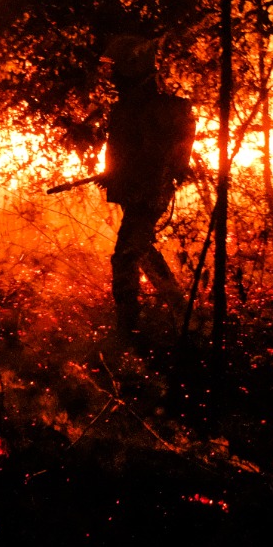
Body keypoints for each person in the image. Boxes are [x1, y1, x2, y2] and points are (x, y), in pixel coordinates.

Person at [98, 36, 195, 335]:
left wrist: (127, 173)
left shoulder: (160, 108)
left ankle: (129, 333)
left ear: (133, 65)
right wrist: (113, 174)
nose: (112, 74)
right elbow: (126, 151)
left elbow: (158, 156)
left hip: (149, 192)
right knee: (141, 250)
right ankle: (181, 310)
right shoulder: (127, 106)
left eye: (116, 67)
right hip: (136, 190)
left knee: (125, 257)